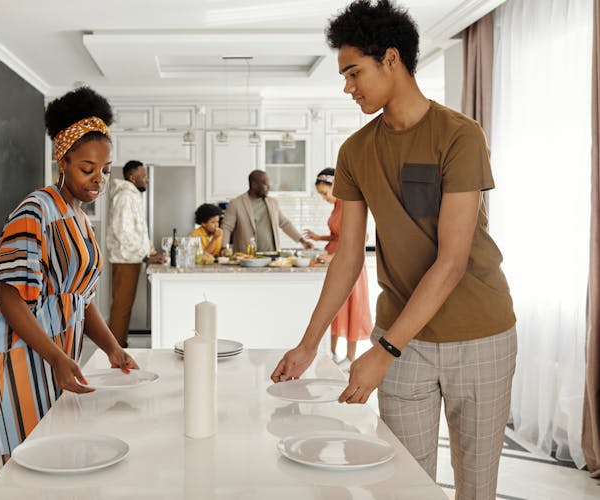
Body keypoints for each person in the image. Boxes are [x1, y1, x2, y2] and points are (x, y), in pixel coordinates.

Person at [270, 2, 517, 498]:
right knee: (404, 486)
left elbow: (451, 262)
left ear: (391, 59)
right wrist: (309, 342)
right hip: (404, 334)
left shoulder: (460, 136)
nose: (347, 87)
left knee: (476, 487)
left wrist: (382, 351)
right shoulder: (355, 152)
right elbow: (346, 257)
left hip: (480, 333)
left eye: (353, 72)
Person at [0, 87, 139, 499]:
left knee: (33, 465)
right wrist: (58, 356)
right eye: (86, 168)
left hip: (43, 354)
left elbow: (79, 301)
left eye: (105, 170)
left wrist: (113, 348)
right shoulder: (37, 208)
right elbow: (7, 294)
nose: (98, 179)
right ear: (61, 161)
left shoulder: (80, 220)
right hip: (2, 355)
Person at [303, 168, 372, 362]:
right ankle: (333, 355)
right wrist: (320, 238)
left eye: (324, 193)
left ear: (336, 186)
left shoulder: (349, 205)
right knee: (336, 309)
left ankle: (350, 358)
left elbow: (360, 237)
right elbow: (339, 234)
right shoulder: (337, 205)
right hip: (337, 260)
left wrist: (333, 258)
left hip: (348, 263)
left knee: (353, 309)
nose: (324, 198)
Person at [106, 160, 164, 348]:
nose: (147, 179)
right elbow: (123, 232)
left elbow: (136, 230)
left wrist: (148, 252)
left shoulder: (131, 196)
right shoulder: (125, 196)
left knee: (124, 305)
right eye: (144, 175)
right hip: (125, 258)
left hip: (130, 257)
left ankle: (119, 344)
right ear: (132, 177)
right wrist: (145, 255)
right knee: (122, 306)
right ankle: (115, 347)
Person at [220, 169, 313, 254]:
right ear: (254, 185)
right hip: (247, 257)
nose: (268, 187)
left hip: (272, 255)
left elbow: (285, 224)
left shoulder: (273, 203)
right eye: (265, 184)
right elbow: (227, 227)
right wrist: (224, 247)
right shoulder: (236, 203)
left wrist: (302, 241)